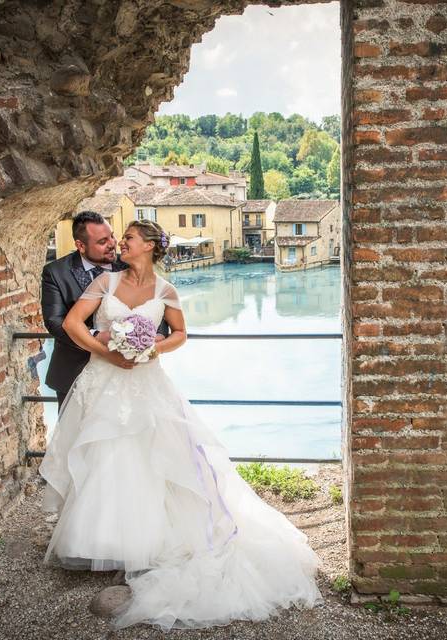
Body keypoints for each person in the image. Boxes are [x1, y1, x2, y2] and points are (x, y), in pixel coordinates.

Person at [39, 220, 321, 630]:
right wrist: (107, 351)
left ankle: (148, 541)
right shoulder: (104, 282)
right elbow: (70, 324)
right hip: (104, 381)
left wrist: (152, 347)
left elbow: (181, 334)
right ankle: (102, 542)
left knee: (152, 457)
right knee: (104, 455)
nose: (122, 242)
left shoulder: (165, 290)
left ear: (150, 246)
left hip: (146, 381)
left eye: (130, 238)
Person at [41, 211, 168, 408]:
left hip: (129, 374)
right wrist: (97, 337)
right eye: (102, 241)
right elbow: (55, 321)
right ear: (81, 246)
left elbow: (158, 314)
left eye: (112, 236)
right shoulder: (56, 272)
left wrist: (147, 342)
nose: (113, 244)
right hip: (74, 372)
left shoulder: (129, 263)